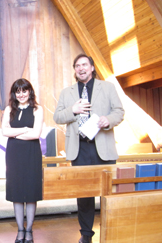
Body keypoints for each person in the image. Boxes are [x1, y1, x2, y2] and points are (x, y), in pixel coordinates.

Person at [53, 54, 125, 243]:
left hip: (103, 147)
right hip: (80, 149)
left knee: (108, 194)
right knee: (84, 195)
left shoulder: (107, 87)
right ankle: (86, 235)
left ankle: (111, 231)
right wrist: (73, 110)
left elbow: (119, 111)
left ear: (92, 67)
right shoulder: (66, 92)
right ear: (74, 69)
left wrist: (108, 120)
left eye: (84, 64)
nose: (81, 68)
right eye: (77, 65)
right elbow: (58, 117)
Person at [2, 78, 43, 243]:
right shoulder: (8, 109)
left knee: (31, 192)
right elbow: (4, 132)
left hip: (32, 153)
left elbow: (36, 134)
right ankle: (20, 230)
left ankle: (29, 230)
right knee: (17, 193)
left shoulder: (37, 109)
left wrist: (15, 133)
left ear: (30, 91)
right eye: (18, 91)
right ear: (14, 93)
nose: (21, 94)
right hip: (14, 155)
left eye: (24, 91)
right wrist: (26, 129)